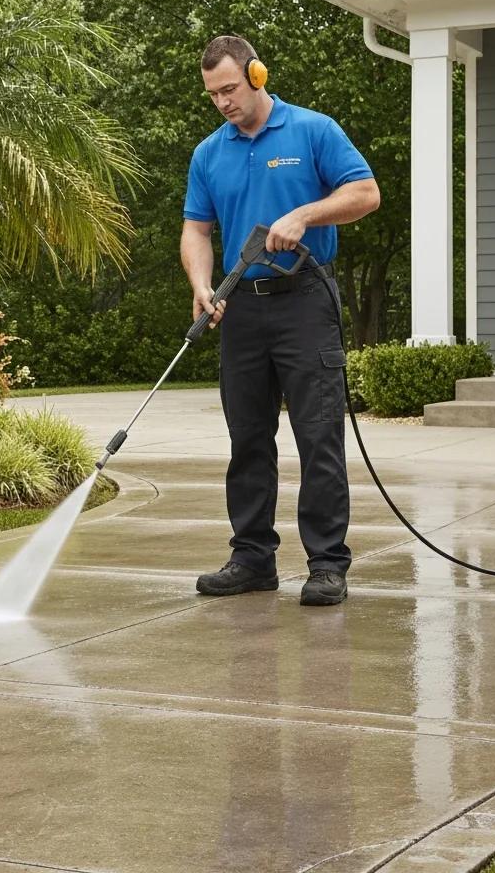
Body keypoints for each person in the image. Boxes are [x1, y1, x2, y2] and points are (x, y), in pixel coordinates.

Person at [181, 35, 380, 606]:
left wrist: (304, 213)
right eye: (213, 94)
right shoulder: (209, 153)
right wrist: (201, 284)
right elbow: (197, 229)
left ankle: (326, 564)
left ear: (257, 76)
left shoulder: (312, 130)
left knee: (318, 434)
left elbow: (365, 192)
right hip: (239, 305)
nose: (222, 102)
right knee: (247, 436)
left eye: (230, 89)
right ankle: (252, 559)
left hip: (306, 301)